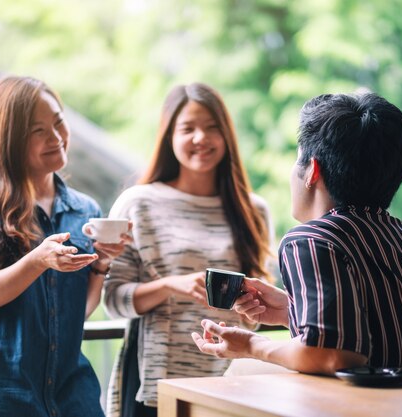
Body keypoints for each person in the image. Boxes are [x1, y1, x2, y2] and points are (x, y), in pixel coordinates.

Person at [193, 92, 402, 374]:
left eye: (298, 159)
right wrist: (291, 310)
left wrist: (251, 346)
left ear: (312, 170)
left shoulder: (309, 240)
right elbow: (392, 337)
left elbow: (332, 355)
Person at [0, 76, 130, 416]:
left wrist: (101, 264)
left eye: (58, 122)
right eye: (37, 131)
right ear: (9, 139)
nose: (56, 138)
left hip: (68, 386)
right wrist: (37, 260)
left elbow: (75, 313)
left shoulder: (83, 210)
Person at [103, 83, 275, 417]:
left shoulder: (254, 210)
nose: (201, 138)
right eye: (188, 128)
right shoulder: (138, 203)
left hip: (232, 382)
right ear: (169, 136)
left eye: (212, 128)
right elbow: (113, 301)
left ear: (226, 136)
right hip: (157, 382)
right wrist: (171, 285)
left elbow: (258, 308)